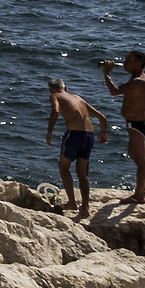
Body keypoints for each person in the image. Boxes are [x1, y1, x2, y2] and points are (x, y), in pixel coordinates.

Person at [45, 77, 109, 219]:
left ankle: (72, 203)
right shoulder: (78, 98)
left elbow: (55, 111)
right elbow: (102, 117)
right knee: (83, 173)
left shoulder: (55, 96)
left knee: (63, 167)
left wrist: (49, 132)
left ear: (51, 90)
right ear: (65, 87)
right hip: (89, 136)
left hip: (74, 135)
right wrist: (103, 132)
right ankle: (85, 208)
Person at [101, 51, 145, 203]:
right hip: (138, 122)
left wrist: (106, 74)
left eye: (128, 60)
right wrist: (144, 115)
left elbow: (114, 91)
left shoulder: (138, 82)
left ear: (138, 64)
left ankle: (139, 196)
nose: (124, 63)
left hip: (136, 124)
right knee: (133, 153)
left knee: (140, 160)